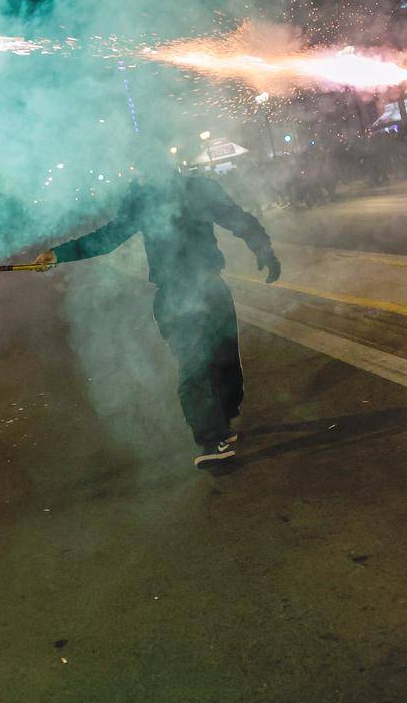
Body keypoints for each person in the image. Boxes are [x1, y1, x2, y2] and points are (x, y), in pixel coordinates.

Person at [33, 152, 281, 468]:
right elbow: (107, 238)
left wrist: (265, 250)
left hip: (211, 287)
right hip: (175, 294)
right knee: (195, 365)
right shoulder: (141, 201)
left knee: (226, 360)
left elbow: (237, 219)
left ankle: (223, 420)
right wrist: (58, 254)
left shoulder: (199, 189)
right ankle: (209, 440)